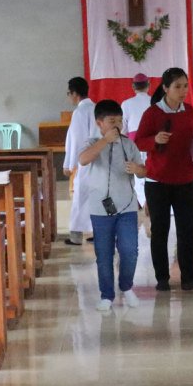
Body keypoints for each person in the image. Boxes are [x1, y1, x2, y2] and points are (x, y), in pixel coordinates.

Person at [134, 67, 193, 292]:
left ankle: (189, 277)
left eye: (185, 86)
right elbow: (139, 141)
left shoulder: (188, 111)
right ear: (165, 88)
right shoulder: (152, 113)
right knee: (160, 230)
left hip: (185, 178)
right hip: (158, 181)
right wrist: (155, 140)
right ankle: (162, 278)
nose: (183, 91)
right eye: (178, 86)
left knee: (187, 229)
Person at [77, 99, 145, 311]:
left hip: (127, 207)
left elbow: (143, 170)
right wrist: (105, 141)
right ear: (100, 123)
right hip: (101, 209)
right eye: (112, 121)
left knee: (130, 250)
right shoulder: (92, 143)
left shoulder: (128, 144)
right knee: (104, 254)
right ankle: (106, 295)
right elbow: (83, 160)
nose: (117, 125)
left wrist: (137, 169)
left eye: (120, 121)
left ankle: (127, 286)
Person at [63, 76, 98, 246]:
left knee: (80, 197)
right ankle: (98, 231)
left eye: (69, 93)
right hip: (98, 158)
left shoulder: (80, 112)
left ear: (75, 94)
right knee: (96, 196)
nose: (69, 97)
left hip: (85, 159)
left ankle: (76, 235)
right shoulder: (96, 108)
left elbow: (76, 140)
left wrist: (70, 165)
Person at [120, 73, 152, 209]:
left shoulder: (126, 104)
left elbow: (123, 129)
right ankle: (153, 202)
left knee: (138, 176)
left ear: (133, 86)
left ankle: (144, 202)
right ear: (149, 85)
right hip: (153, 143)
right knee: (153, 172)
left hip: (135, 144)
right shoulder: (155, 101)